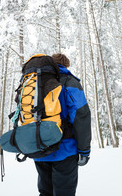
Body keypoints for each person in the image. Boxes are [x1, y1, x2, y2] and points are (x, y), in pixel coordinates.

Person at [33, 53, 92, 196]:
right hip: (64, 149)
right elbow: (81, 116)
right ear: (65, 65)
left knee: (45, 192)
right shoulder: (70, 82)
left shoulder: (34, 83)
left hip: (39, 149)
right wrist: (84, 150)